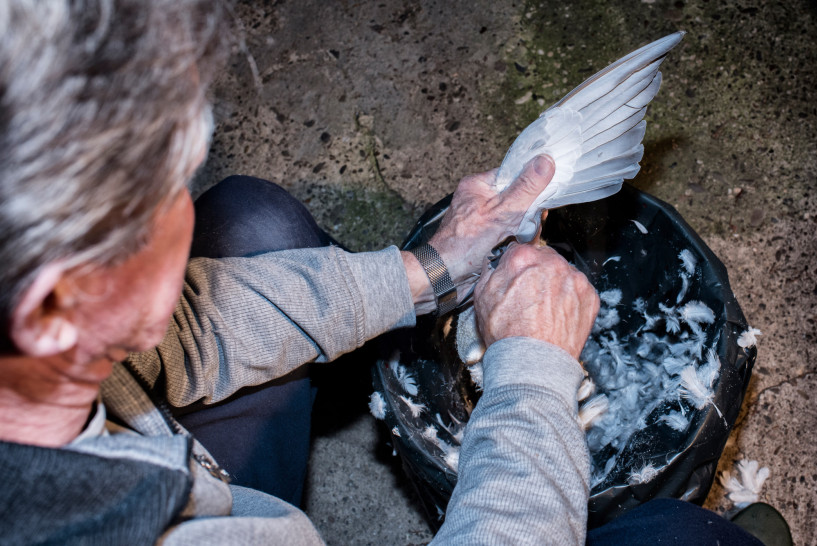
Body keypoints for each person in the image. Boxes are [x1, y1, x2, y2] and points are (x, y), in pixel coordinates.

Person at [0, 1, 776, 544]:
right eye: (161, 193)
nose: (180, 204)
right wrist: (534, 375)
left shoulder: (43, 351)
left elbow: (160, 338)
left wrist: (425, 271)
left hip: (154, 440)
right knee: (683, 535)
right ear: (53, 307)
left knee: (250, 218)